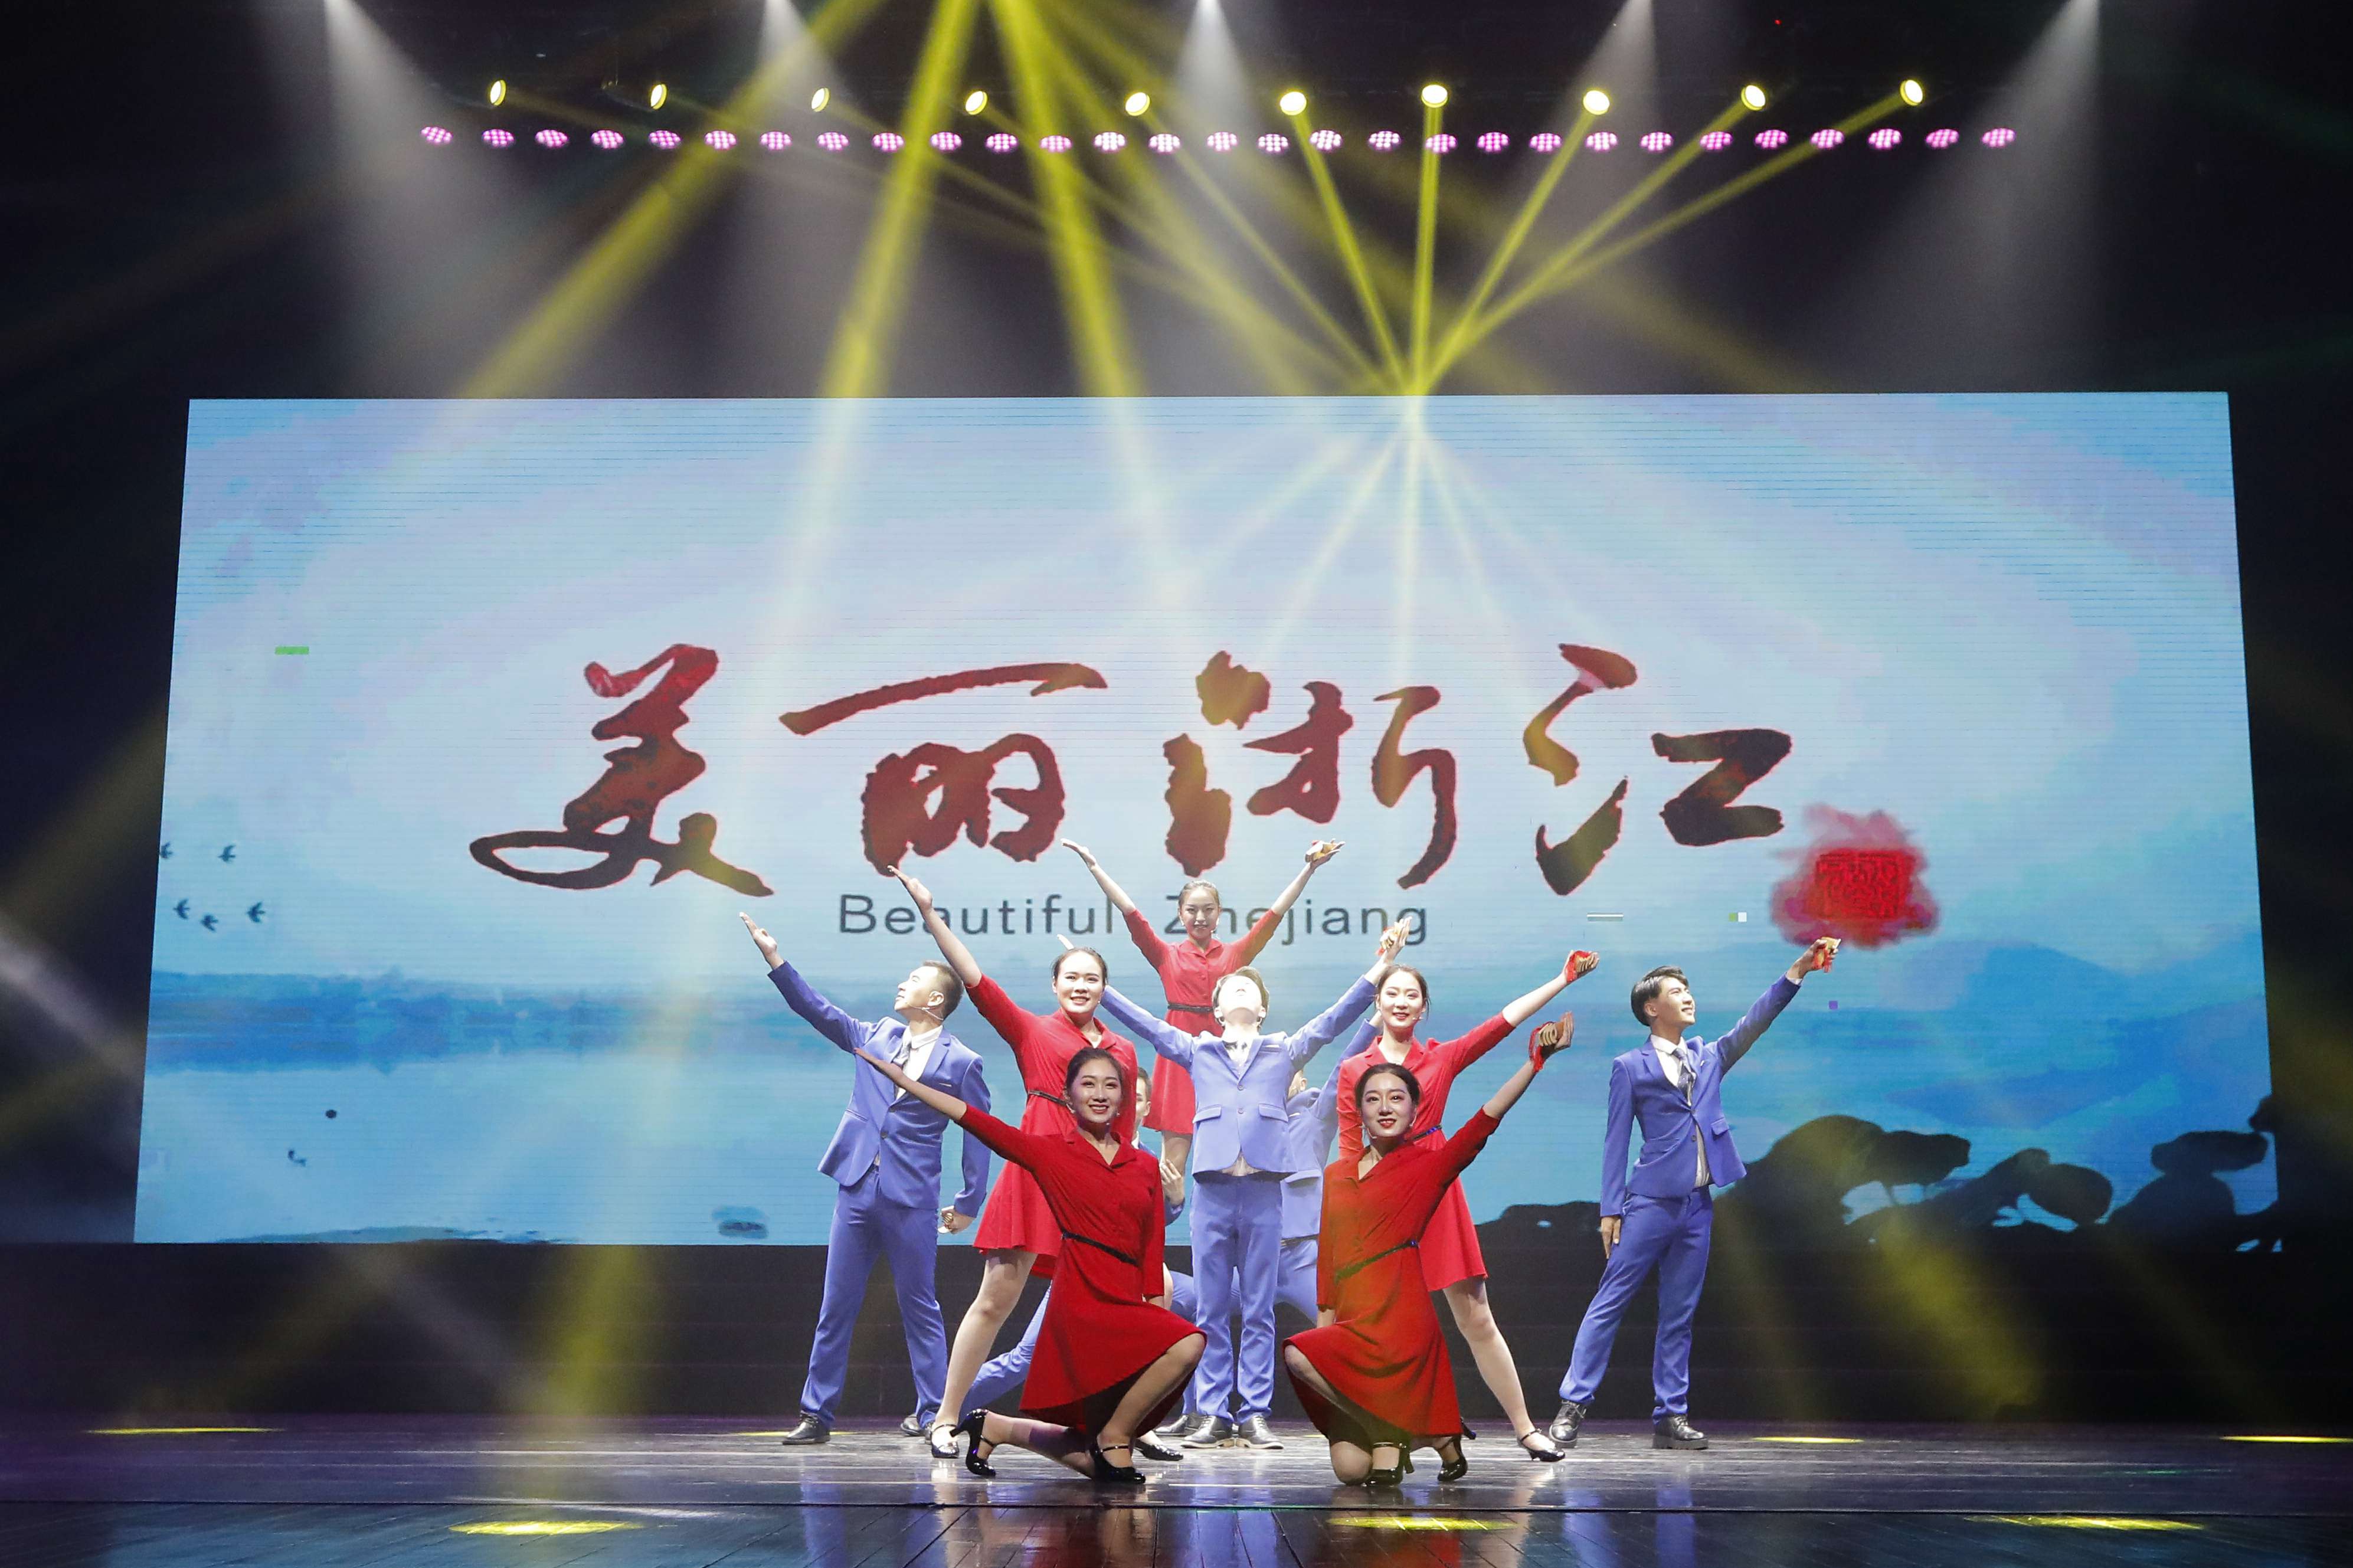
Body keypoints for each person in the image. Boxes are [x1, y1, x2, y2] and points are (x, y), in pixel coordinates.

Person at [1097, 922, 1408, 1449]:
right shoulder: (1198, 1050)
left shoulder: (1282, 1050)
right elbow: (1148, 1026)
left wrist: (1380, 968)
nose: (1240, 991)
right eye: (1231, 988)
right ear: (1217, 1009)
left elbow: (1334, 1021)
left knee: (1260, 1308)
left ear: (1261, 1009)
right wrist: (1101, 989)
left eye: (1250, 988)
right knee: (1212, 1307)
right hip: (1214, 1192)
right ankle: (1213, 1411)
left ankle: (1255, 1412)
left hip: (1263, 1191)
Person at [848, 1042, 1205, 1483]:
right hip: (1082, 1299)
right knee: (1124, 1428)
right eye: (1088, 1084)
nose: (1099, 1094)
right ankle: (1114, 1436)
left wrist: (1153, 1307)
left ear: (1124, 1096)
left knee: (1177, 1354)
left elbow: (1151, 1246)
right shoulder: (1052, 1151)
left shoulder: (1144, 1165)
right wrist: (907, 1082)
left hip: (1126, 1299)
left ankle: (998, 1427)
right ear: (1068, 1095)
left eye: (1111, 1085)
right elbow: (975, 1120)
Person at [1549, 937, 1842, 1452]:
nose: (1687, 997)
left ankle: (1671, 1414)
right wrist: (1610, 1209)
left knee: (1679, 1312)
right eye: (1676, 991)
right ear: (1650, 1007)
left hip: (1697, 1206)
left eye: (1688, 990)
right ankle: (1572, 1405)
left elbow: (1755, 1021)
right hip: (1649, 1203)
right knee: (1609, 1302)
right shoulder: (1630, 1066)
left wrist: (1797, 971)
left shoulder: (1708, 1056)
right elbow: (1616, 1140)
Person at [889, 866, 1143, 1460]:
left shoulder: (1123, 1050)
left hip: (1092, 1187)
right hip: (1034, 1175)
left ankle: (1120, 1423)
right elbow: (974, 980)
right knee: (995, 1299)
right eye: (1071, 977)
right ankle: (945, 1417)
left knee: (1104, 1309)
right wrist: (929, 913)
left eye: (1092, 978)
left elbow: (1125, 1131)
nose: (1081, 985)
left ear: (1104, 988)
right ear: (1056, 985)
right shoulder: (1031, 1030)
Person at [1320, 951, 1600, 1460]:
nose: (1401, 1001)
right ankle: (1390, 1431)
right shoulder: (1354, 1068)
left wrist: (1561, 978)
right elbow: (1347, 1145)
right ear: (1377, 1002)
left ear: (1423, 1007)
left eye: (1411, 995)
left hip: (1434, 1186)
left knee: (1475, 1317)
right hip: (1379, 1199)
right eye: (1392, 993)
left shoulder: (1440, 1057)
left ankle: (1524, 1428)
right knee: (1379, 1324)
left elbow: (1501, 1024)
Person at [1285, 1014, 1579, 1486]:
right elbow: (1329, 1260)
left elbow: (1484, 1121)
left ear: (1414, 1107)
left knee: (1366, 1472)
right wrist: (1326, 1329)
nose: (1384, 1107)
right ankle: (1419, 1431)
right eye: (1372, 1098)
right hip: (1353, 1320)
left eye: (1396, 1097)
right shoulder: (1337, 1174)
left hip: (1401, 1321)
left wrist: (1534, 1063)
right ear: (1357, 1110)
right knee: (1345, 1461)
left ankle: (1396, 1431)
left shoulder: (1427, 1164)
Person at [738, 914, 991, 1446]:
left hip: (912, 1195)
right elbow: (817, 1010)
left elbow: (978, 1131)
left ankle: (933, 1411)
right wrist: (774, 958)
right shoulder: (876, 1035)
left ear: (935, 1000)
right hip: (856, 1184)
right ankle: (816, 1413)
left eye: (913, 980)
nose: (902, 984)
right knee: (837, 1304)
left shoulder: (962, 1061)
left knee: (919, 1305)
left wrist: (969, 1200)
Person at [1062, 839, 1340, 1182]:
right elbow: (1130, 913)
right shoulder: (1166, 955)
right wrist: (1094, 867)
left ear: (1219, 914)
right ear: (1181, 914)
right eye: (1192, 910)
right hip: (1179, 1058)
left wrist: (1308, 870)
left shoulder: (1235, 955)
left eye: (1208, 910)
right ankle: (1165, 1216)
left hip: (1228, 1060)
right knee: (1171, 1169)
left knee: (1237, 1162)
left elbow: (1274, 916)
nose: (1200, 917)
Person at [1152, 1066, 1333, 1448]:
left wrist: (1378, 1031)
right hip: (1252, 1256)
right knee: (1199, 1310)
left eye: (1287, 1072)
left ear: (1301, 1080)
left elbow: (1342, 1073)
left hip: (1301, 1259)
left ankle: (1367, 1411)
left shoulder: (1315, 1115)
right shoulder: (1244, 1123)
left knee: (1340, 1326)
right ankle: (1199, 1411)